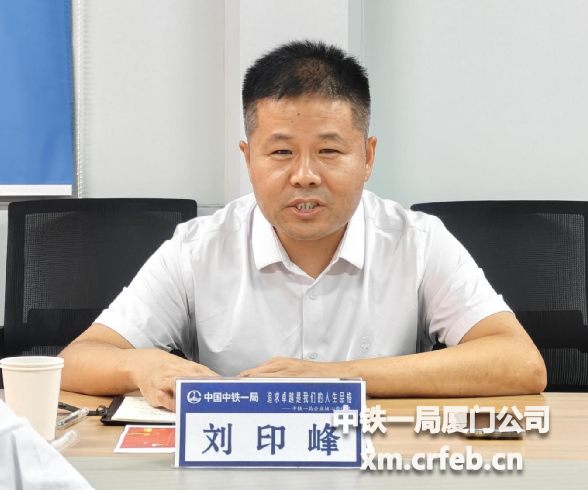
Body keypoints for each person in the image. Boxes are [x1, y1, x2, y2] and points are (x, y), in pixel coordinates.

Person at [59, 41, 547, 411]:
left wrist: (334, 377)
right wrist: (141, 364)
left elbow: (519, 363)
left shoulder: (416, 241)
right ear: (248, 159)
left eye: (329, 151)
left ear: (368, 157)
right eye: (281, 152)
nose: (305, 175)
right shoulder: (197, 248)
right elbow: (77, 360)